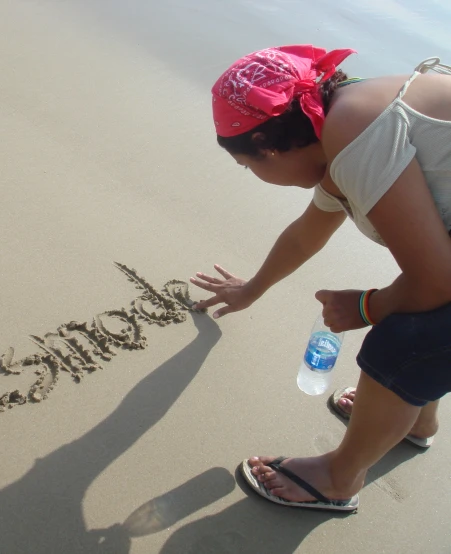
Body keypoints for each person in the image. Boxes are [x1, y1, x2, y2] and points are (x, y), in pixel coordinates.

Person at [190, 45, 451, 511]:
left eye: (247, 166)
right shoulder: (339, 119)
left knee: (405, 337)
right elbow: (306, 234)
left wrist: (368, 306)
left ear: (267, 148)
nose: (252, 174)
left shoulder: (358, 138)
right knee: (420, 309)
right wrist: (251, 289)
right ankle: (413, 419)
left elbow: (436, 282)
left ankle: (337, 478)